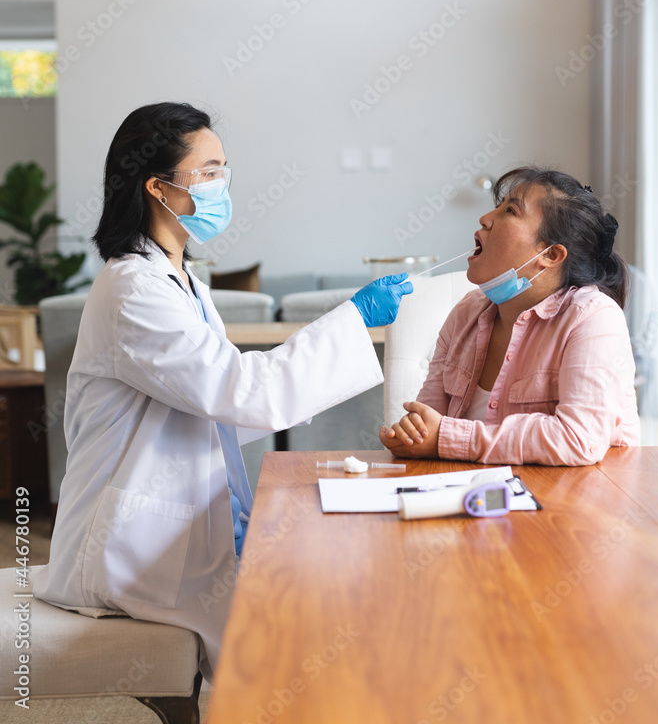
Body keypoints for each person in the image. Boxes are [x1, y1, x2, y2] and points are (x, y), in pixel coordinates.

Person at [34, 102, 412, 682]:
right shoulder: (134, 290)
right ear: (159, 188)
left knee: (319, 600)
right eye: (207, 172)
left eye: (223, 169)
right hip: (125, 548)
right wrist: (353, 320)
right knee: (303, 633)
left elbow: (216, 408)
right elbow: (243, 391)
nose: (221, 185)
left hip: (175, 523)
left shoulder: (179, 280)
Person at [379, 167, 640, 466]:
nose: (485, 218)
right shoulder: (466, 312)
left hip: (572, 503)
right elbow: (425, 425)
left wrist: (447, 438)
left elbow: (579, 439)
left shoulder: (592, 318)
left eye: (511, 211)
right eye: (498, 207)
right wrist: (409, 436)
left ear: (550, 255)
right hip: (478, 498)